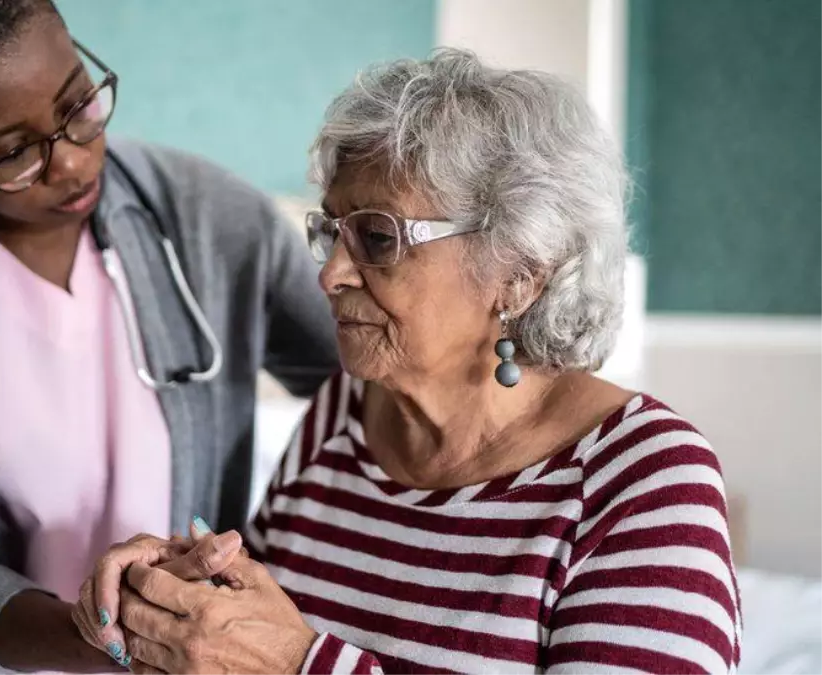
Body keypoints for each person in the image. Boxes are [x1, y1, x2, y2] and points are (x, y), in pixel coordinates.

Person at [74, 50, 743, 674]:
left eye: (376, 236)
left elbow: (284, 654)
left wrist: (298, 664)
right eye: (331, 232)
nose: (331, 274)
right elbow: (259, 630)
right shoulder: (344, 413)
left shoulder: (644, 482)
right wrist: (187, 596)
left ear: (519, 273)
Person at [0, 0, 339, 672]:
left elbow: (375, 392)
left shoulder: (216, 222)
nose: (71, 164)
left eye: (78, 105)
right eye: (14, 153)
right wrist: (118, 641)